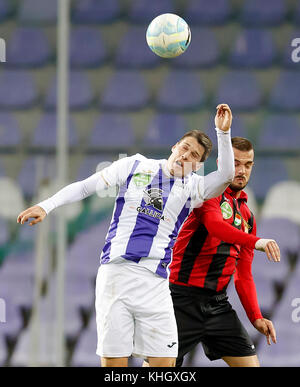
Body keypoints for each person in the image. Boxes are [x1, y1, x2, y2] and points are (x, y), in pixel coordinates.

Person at [17, 104, 236, 368]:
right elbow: (87, 186)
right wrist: (47, 205)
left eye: (194, 156)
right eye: (184, 147)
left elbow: (226, 175)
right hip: (116, 275)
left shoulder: (194, 188)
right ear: (174, 147)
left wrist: (223, 134)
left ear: (197, 166)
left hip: (155, 282)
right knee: (114, 364)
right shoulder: (134, 165)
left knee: (164, 362)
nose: (185, 155)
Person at [168, 136, 280, 367]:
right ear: (223, 164)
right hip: (180, 301)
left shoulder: (247, 215)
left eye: (248, 165)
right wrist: (256, 242)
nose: (241, 171)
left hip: (217, 305)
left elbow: (243, 274)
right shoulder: (206, 194)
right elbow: (216, 227)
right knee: (159, 370)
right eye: (236, 163)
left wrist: (255, 316)